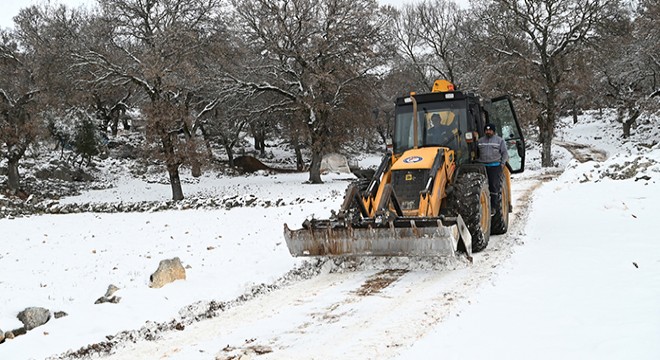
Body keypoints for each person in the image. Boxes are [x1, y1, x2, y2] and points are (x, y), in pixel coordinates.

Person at [477, 123, 508, 209]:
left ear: (493, 131)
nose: (488, 132)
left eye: (490, 130)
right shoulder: (480, 141)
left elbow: (505, 153)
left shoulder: (499, 141)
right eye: (487, 130)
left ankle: (494, 207)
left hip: (495, 166)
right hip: (482, 166)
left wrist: (502, 164)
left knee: (494, 186)